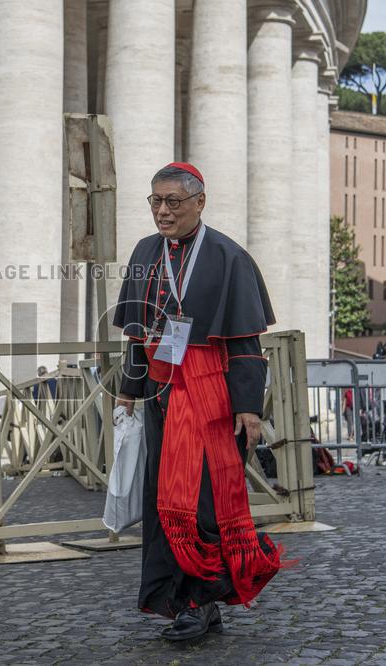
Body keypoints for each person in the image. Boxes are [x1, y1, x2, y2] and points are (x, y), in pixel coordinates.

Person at [113, 162, 286, 642]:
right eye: (155, 201)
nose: (162, 211)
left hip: (211, 399)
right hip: (161, 399)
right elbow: (135, 336)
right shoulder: (145, 252)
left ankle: (203, 600)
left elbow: (246, 342)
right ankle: (180, 599)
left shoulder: (230, 257)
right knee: (163, 500)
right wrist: (128, 392)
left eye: (173, 202)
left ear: (199, 202)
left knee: (204, 504)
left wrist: (248, 407)